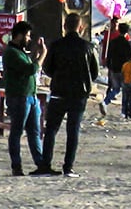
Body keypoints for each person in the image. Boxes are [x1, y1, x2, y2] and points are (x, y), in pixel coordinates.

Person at [37, 13, 99, 178]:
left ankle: (45, 164)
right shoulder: (89, 47)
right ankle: (68, 167)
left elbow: (48, 68)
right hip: (79, 94)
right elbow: (94, 72)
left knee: (51, 129)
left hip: (59, 92)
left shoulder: (56, 45)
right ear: (80, 27)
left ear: (64, 26)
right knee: (73, 131)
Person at [3, 21, 47, 176]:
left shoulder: (21, 52)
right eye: (27, 35)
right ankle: (17, 166)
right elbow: (30, 69)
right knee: (16, 131)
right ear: (19, 35)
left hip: (31, 97)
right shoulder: (11, 53)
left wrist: (36, 54)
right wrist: (43, 55)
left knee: (35, 132)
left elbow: (30, 66)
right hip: (19, 97)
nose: (29, 39)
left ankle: (41, 164)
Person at [100, 23, 131, 116]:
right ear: (127, 32)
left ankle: (105, 102)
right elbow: (130, 56)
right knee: (125, 90)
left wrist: (109, 66)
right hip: (123, 69)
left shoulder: (113, 42)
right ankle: (124, 111)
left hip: (113, 68)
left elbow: (109, 55)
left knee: (116, 89)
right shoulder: (126, 43)